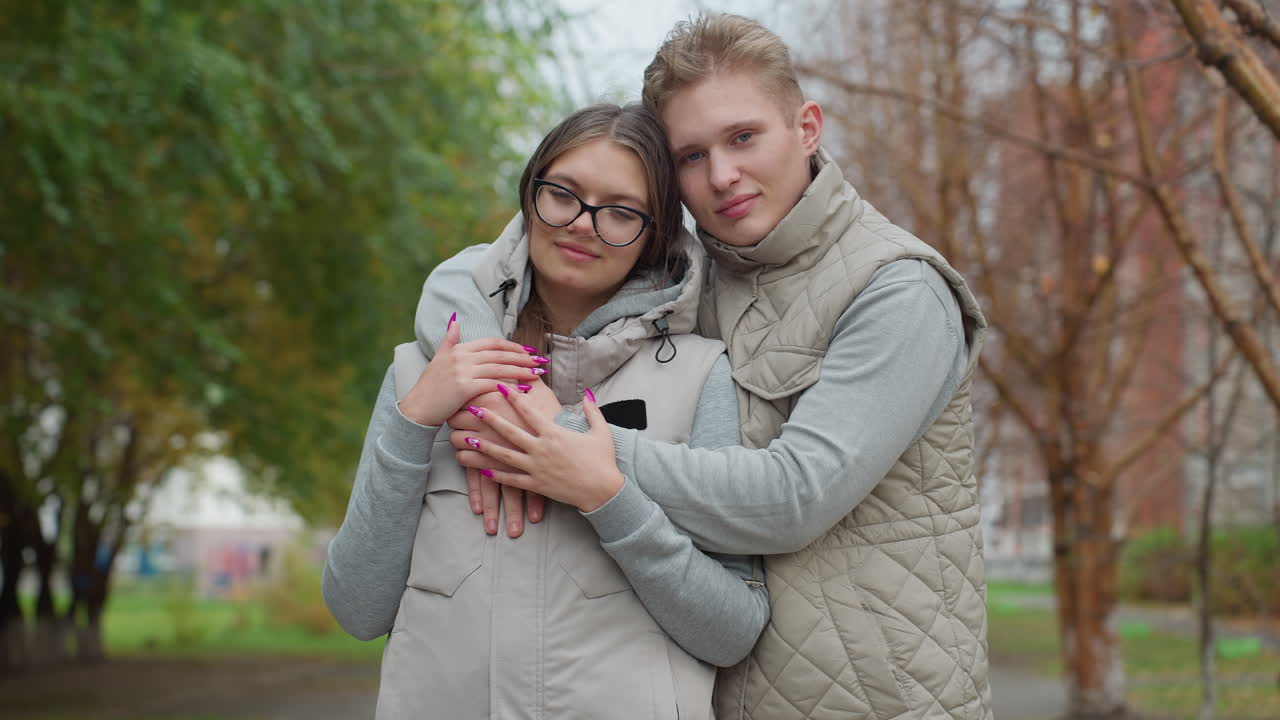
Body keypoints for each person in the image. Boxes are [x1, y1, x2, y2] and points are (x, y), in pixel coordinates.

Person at [421, 14, 994, 720]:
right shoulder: (684, 281)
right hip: (719, 696)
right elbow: (479, 273)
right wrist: (504, 388)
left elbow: (794, 499)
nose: (722, 176)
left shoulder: (898, 291)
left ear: (807, 127)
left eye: (743, 137)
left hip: (878, 704)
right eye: (691, 156)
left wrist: (565, 439)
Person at [322, 103, 769, 720]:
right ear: (531, 196)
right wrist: (414, 421)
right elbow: (357, 608)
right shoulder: (421, 376)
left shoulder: (699, 376)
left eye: (621, 211)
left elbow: (733, 630)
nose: (583, 224)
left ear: (655, 233)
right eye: (563, 194)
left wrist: (608, 498)